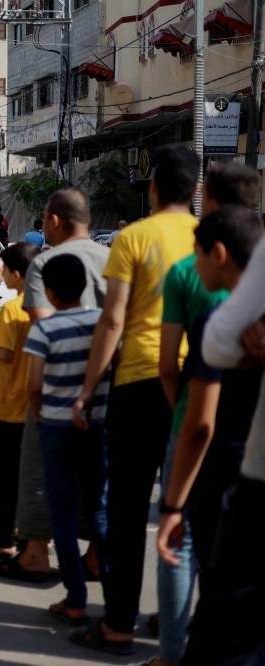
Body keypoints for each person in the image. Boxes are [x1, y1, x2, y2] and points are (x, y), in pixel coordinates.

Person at [71, 145, 200, 656]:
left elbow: (114, 318)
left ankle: (118, 625)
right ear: (194, 190)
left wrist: (87, 390)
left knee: (125, 510)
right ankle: (176, 624)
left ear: (151, 187)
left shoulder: (134, 236)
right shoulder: (209, 239)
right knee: (181, 512)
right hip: (199, 382)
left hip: (139, 381)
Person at [151, 160, 260, 666]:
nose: (194, 265)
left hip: (226, 473)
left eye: (199, 255)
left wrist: (172, 503)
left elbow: (200, 422)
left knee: (223, 611)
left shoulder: (220, 319)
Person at [0, 187, 109, 585]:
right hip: (106, 387)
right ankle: (95, 556)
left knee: (40, 472)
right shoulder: (113, 258)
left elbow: (45, 325)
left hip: (56, 389)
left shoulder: (47, 263)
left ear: (55, 220)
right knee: (97, 476)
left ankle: (37, 554)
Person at [180, 225, 265, 666]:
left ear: (217, 253)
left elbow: (218, 342)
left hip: (245, 471)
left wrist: (173, 503)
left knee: (227, 618)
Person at [24, 253, 110, 627]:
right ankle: (114, 597)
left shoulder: (44, 330)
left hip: (57, 427)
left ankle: (75, 598)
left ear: (50, 292)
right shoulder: (103, 324)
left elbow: (34, 384)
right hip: (99, 425)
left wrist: (40, 414)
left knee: (63, 513)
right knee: (99, 507)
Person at [0, 242, 41, 558]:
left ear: (16, 274)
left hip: (9, 403)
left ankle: (4, 538)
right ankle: (28, 534)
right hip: (36, 403)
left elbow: (2, 351)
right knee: (28, 478)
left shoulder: (14, 309)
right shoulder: (45, 305)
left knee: (4, 480)